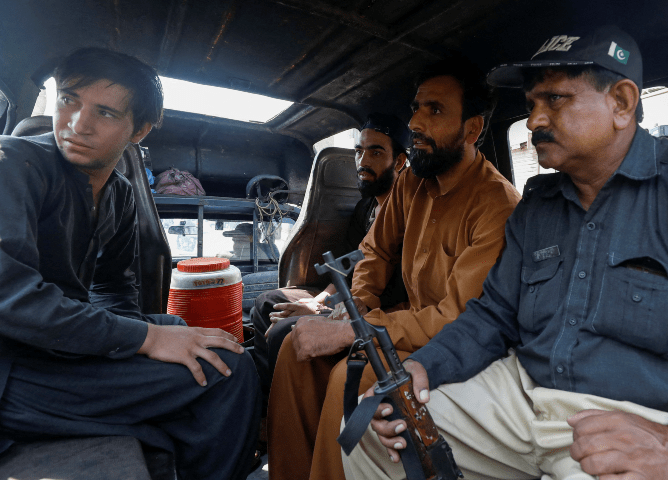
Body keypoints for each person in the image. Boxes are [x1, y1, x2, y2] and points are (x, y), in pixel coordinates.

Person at [345, 25, 668, 480]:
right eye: (531, 105)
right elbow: (494, 316)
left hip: (649, 420)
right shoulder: (538, 204)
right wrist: (424, 366)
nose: (534, 121)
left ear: (621, 103)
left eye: (555, 100)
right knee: (378, 435)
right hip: (523, 395)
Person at [0, 48, 259, 480]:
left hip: (59, 350)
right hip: (13, 372)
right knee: (229, 371)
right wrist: (142, 340)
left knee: (195, 336)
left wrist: (137, 346)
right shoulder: (14, 163)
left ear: (138, 129)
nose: (78, 124)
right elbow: (13, 301)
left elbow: (115, 290)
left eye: (104, 112)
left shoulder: (119, 194)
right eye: (68, 100)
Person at [266, 59, 521, 480]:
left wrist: (359, 330)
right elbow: (374, 254)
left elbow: (459, 318)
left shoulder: (497, 206)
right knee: (298, 348)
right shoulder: (412, 182)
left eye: (434, 111)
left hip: (453, 344)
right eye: (417, 108)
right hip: (402, 327)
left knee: (355, 376)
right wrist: (356, 307)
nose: (416, 122)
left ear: (472, 130)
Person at [250, 112, 410, 446]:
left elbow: (388, 289)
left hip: (380, 308)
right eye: (358, 151)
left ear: (401, 161)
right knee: (266, 303)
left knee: (284, 332)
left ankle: (285, 426)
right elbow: (345, 269)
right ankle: (266, 413)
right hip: (348, 297)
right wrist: (319, 301)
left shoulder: (408, 213)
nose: (362, 161)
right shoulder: (365, 208)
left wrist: (329, 314)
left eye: (376, 152)